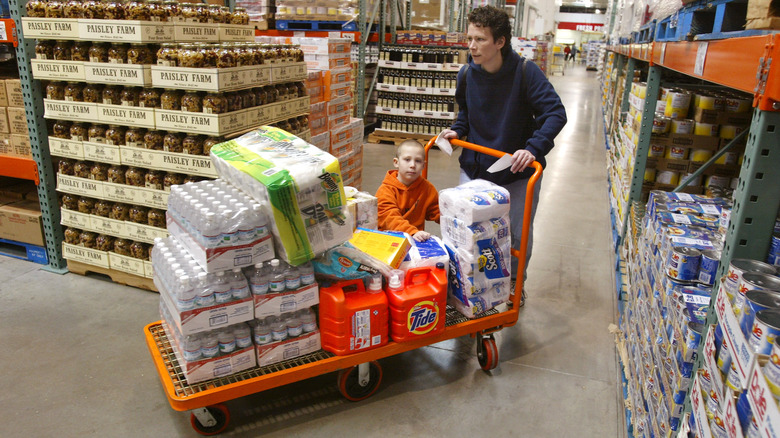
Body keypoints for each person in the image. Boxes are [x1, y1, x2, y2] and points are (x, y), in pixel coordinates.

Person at [440, 5, 567, 304]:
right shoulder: (466, 74)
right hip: (475, 167)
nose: (472, 46)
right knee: (466, 231)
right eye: (470, 38)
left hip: (516, 172)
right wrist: (456, 132)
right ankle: (467, 281)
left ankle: (513, 283)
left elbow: (555, 113)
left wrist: (532, 148)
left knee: (517, 236)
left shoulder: (525, 72)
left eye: (480, 39)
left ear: (500, 42)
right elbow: (466, 115)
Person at [375, 140, 441, 242]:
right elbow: (389, 217)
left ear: (424, 165)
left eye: (418, 161)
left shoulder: (427, 188)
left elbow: (436, 211)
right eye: (407, 159)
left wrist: (456, 219)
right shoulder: (386, 190)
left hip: (416, 240)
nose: (412, 165)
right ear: (396, 162)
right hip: (388, 239)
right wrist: (412, 232)